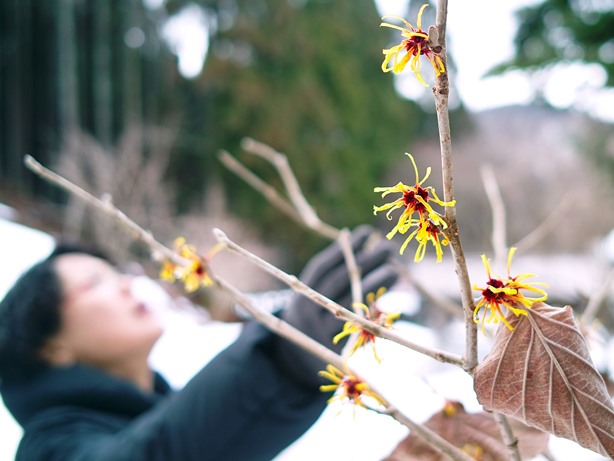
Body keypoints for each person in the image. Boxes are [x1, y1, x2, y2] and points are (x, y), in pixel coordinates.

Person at [0, 225, 398, 461]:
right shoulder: (48, 446)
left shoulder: (158, 410)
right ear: (51, 346)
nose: (126, 285)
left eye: (118, 273)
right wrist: (280, 360)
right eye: (95, 283)